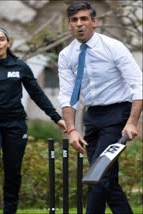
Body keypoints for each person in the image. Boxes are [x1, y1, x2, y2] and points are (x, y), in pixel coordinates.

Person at [58, 2, 142, 214]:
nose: (79, 24)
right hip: (92, 117)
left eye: (84, 19)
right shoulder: (66, 55)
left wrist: (132, 121)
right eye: (74, 20)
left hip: (117, 114)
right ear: (69, 24)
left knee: (98, 176)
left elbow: (138, 84)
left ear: (94, 22)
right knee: (108, 181)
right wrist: (72, 129)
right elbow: (68, 95)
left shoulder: (113, 47)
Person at [0, 27, 67, 213]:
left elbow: (37, 94)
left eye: (1, 39)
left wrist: (56, 117)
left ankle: (9, 211)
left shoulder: (20, 66)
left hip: (15, 124)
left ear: (8, 43)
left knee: (13, 171)